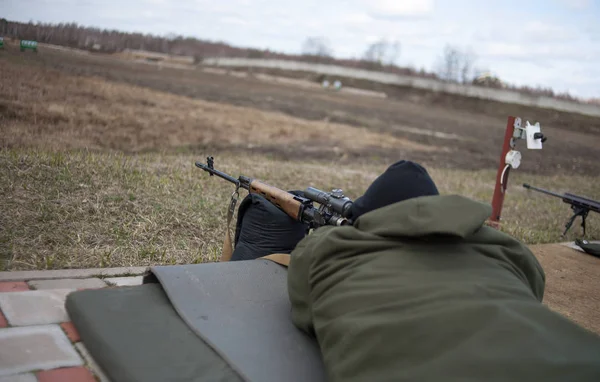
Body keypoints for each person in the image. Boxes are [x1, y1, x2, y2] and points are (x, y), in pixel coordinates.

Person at [234, 160, 600, 381]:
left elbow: (301, 285)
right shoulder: (502, 251)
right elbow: (532, 280)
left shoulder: (330, 252)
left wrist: (342, 233)